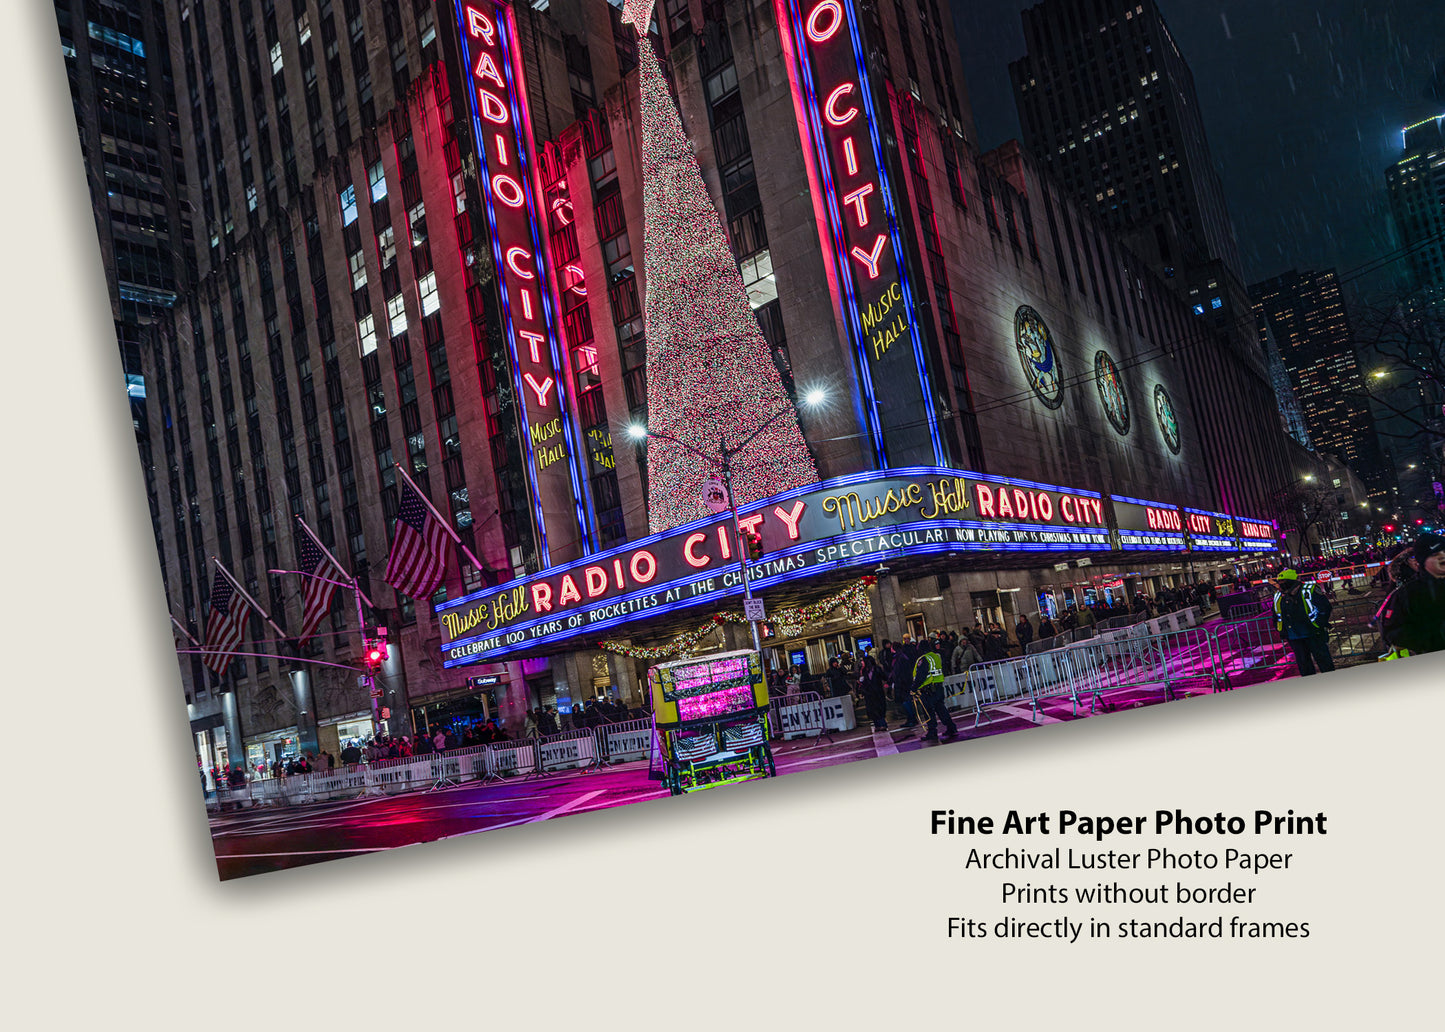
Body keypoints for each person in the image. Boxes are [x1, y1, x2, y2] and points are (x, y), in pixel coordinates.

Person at [1379, 533, 1445, 657]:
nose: (1442, 557)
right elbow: (1392, 632)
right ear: (1422, 561)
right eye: (1435, 554)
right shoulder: (1406, 593)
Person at [1271, 568, 1335, 676]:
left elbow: (1325, 608)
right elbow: (1276, 615)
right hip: (1294, 636)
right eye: (1279, 583)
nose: (1280, 585)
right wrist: (1281, 630)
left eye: (1283, 582)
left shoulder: (1308, 590)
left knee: (1324, 663)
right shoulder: (1279, 595)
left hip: (1314, 633)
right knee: (1304, 666)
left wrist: (1318, 624)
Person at [911, 639, 957, 742]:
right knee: (941, 709)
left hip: (928, 689)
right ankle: (951, 727)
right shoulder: (935, 656)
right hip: (938, 687)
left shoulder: (923, 659)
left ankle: (932, 732)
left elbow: (921, 675)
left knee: (928, 711)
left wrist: (914, 688)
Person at [857, 655, 889, 731]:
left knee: (879, 708)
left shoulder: (876, 669)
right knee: (872, 709)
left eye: (863, 661)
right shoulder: (864, 671)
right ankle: (877, 725)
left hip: (877, 692)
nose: (862, 663)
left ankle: (882, 724)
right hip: (869, 693)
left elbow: (884, 677)